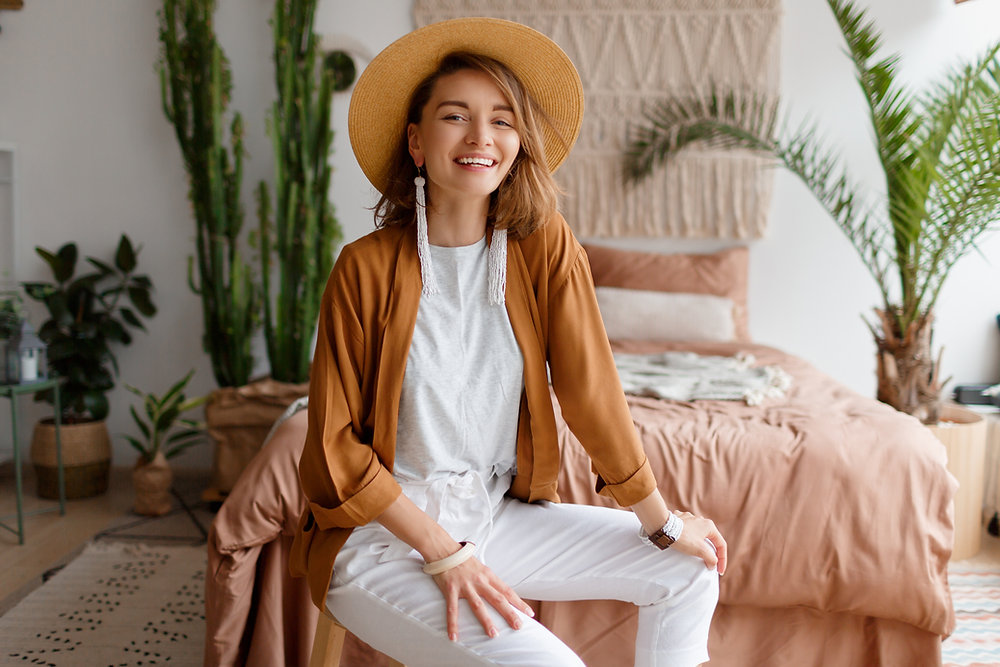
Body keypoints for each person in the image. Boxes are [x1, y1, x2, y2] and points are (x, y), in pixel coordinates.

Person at [290, 16, 726, 667]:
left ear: (519, 142)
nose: (480, 137)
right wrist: (441, 549)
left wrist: (662, 521)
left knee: (690, 572)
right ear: (416, 141)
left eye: (502, 120)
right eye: (455, 116)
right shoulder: (364, 267)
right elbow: (333, 450)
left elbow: (591, 391)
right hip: (382, 539)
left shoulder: (541, 247)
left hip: (494, 518)